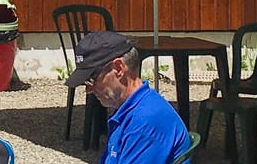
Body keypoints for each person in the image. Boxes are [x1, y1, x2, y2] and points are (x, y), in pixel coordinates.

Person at [62, 30, 189, 164]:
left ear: (118, 69)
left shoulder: (144, 121)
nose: (88, 90)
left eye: (92, 79)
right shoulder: (131, 110)